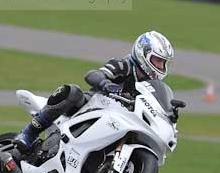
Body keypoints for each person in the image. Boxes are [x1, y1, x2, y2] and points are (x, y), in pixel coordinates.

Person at [14, 30, 175, 152]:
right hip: (91, 107)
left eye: (163, 63)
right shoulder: (124, 65)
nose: (161, 67)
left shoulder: (150, 85)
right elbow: (92, 75)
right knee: (72, 92)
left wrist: (169, 113)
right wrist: (106, 84)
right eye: (158, 60)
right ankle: (28, 133)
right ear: (143, 53)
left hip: (119, 121)